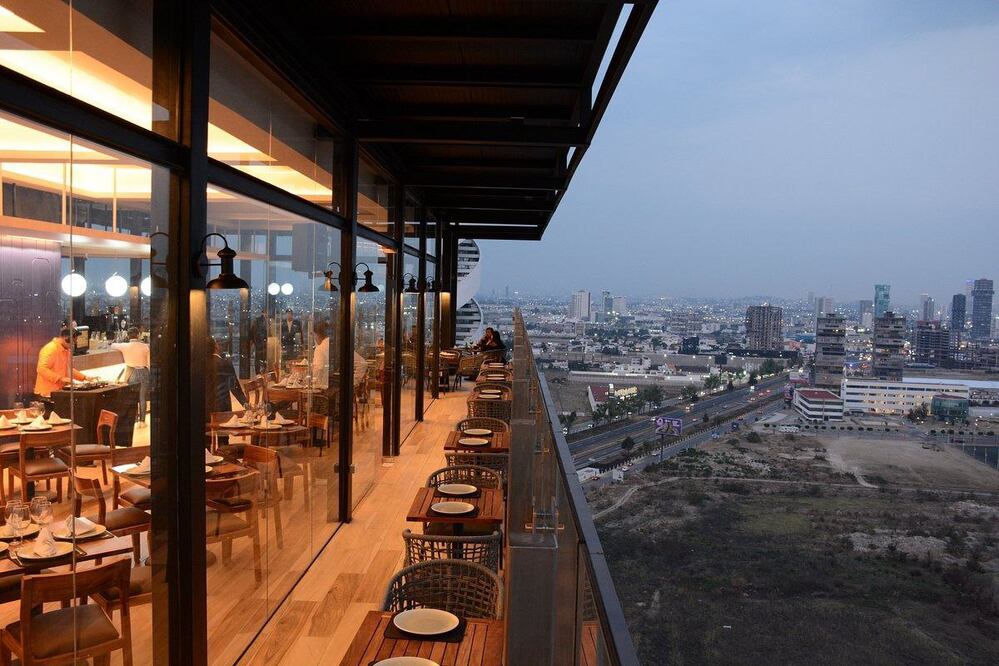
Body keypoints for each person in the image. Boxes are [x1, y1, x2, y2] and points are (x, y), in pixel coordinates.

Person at [34, 327, 87, 401]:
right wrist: (60, 379)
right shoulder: (50, 349)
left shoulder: (66, 350)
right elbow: (41, 369)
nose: (75, 343)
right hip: (47, 394)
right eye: (73, 340)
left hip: (58, 392)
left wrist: (84, 378)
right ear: (66, 338)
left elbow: (67, 370)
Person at [113, 327, 151, 427]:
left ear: (128, 336)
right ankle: (142, 421)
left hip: (131, 372)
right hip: (143, 371)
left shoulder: (124, 346)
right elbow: (149, 363)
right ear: (138, 335)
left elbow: (113, 345)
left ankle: (133, 420)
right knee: (142, 397)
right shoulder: (145, 347)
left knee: (132, 398)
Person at [208, 337, 247, 413]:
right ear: (216, 347)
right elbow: (235, 388)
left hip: (202, 413)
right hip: (222, 411)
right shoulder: (225, 364)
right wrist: (246, 405)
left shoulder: (198, 366)